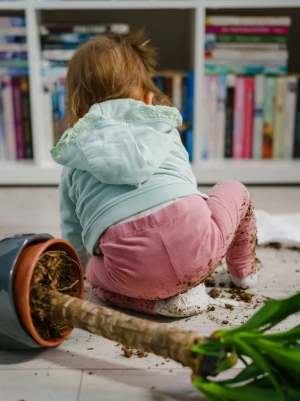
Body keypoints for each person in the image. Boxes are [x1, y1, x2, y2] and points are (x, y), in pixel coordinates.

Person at [52, 30, 258, 317]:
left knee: (96, 276)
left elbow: (72, 231)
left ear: (79, 108)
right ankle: (244, 274)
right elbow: (185, 184)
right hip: (199, 250)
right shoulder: (162, 127)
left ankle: (157, 303)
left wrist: (85, 266)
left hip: (130, 273)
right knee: (234, 189)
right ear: (148, 98)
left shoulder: (74, 156)